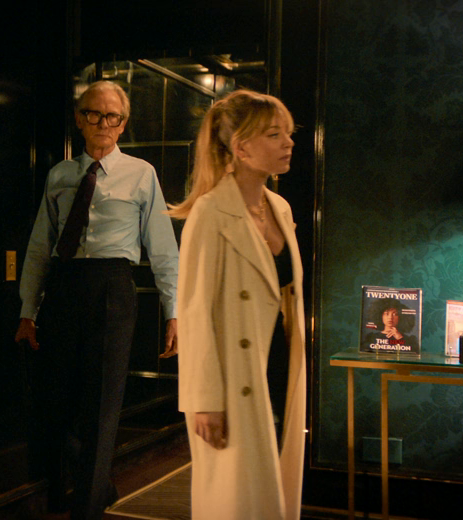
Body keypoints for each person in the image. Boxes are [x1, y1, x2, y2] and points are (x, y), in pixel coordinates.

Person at [15, 80, 179, 520]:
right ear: (79, 118)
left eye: (111, 116)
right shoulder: (60, 175)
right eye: (93, 113)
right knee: (54, 401)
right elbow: (39, 246)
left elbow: (163, 247)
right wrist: (28, 310)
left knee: (103, 405)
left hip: (113, 286)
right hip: (63, 286)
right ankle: (97, 484)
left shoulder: (141, 174)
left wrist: (174, 311)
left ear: (122, 124)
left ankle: (86, 509)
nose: (102, 123)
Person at [168, 89, 306, 520]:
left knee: (272, 487)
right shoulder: (210, 212)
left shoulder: (279, 207)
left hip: (279, 361)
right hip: (232, 376)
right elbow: (194, 311)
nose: (289, 143)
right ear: (242, 148)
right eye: (274, 134)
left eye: (288, 133)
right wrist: (203, 399)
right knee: (236, 498)